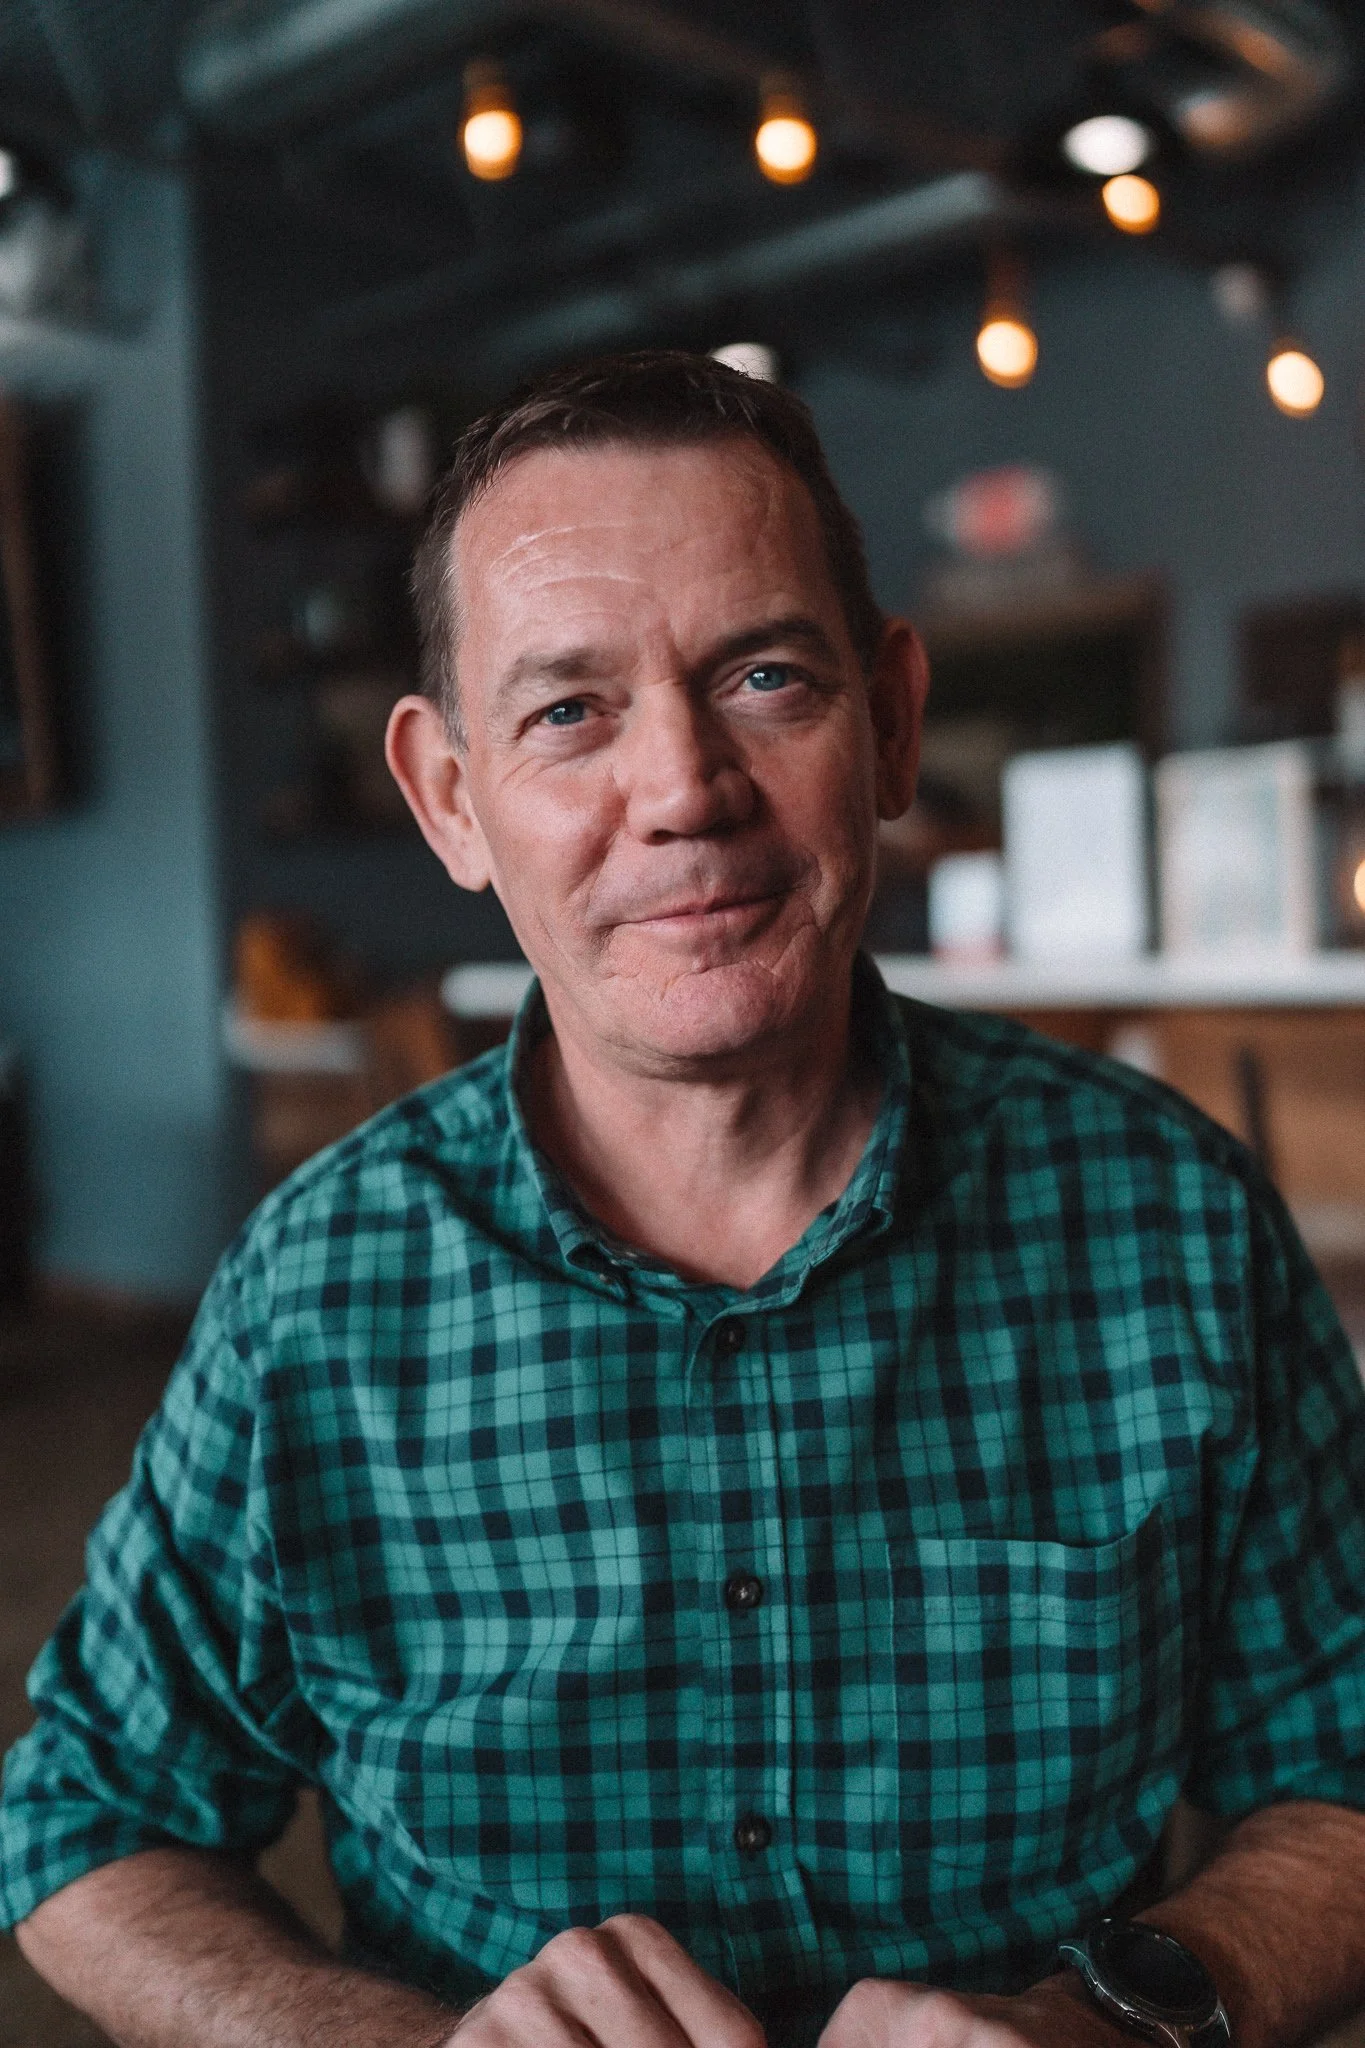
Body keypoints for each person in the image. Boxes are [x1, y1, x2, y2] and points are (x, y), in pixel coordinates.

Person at [4, 351, 1365, 2048]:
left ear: (892, 720)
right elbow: (83, 1819)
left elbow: (1346, 1771)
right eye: (570, 710)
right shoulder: (316, 1299)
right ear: (449, 796)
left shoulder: (1169, 1227)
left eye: (767, 677)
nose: (683, 790)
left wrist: (1122, 2016)